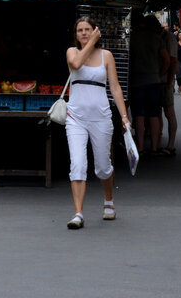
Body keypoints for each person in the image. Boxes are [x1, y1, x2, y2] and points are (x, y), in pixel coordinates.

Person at [64, 16, 130, 230]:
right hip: (76, 117)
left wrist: (124, 116)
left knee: (103, 166)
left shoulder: (106, 56)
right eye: (80, 30)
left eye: (87, 29)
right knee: (78, 165)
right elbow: (76, 64)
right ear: (76, 35)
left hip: (101, 116)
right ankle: (78, 213)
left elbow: (115, 87)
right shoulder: (72, 52)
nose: (83, 33)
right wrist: (91, 42)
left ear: (95, 31)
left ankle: (108, 199)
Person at [128, 14, 166, 157]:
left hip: (137, 81)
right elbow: (167, 60)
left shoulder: (132, 39)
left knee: (139, 115)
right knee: (154, 114)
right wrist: (159, 73)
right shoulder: (157, 38)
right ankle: (155, 147)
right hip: (154, 81)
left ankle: (141, 147)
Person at [158, 18, 179, 156]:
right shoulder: (159, 37)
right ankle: (158, 142)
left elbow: (173, 60)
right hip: (159, 80)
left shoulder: (169, 38)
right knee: (158, 112)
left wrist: (170, 81)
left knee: (169, 112)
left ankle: (171, 145)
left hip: (165, 81)